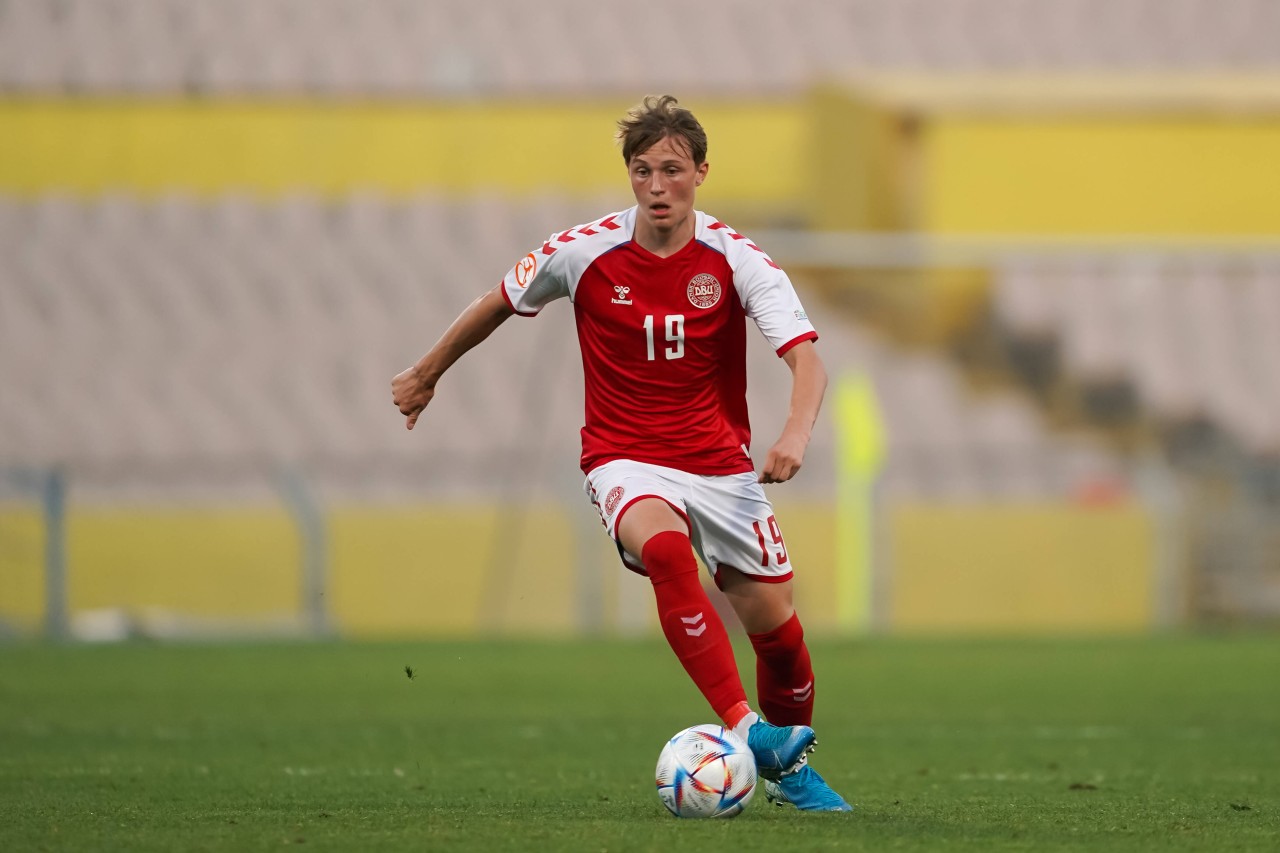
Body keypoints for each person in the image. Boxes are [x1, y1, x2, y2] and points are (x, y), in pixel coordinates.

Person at [392, 95, 851, 812]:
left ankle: (791, 771)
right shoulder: (583, 250)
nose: (657, 185)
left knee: (782, 636)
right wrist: (426, 373)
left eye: (672, 169)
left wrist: (794, 433)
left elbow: (807, 359)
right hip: (624, 457)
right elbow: (496, 301)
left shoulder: (736, 259)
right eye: (642, 171)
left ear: (701, 171)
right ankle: (749, 732)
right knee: (666, 554)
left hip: (721, 467)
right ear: (629, 177)